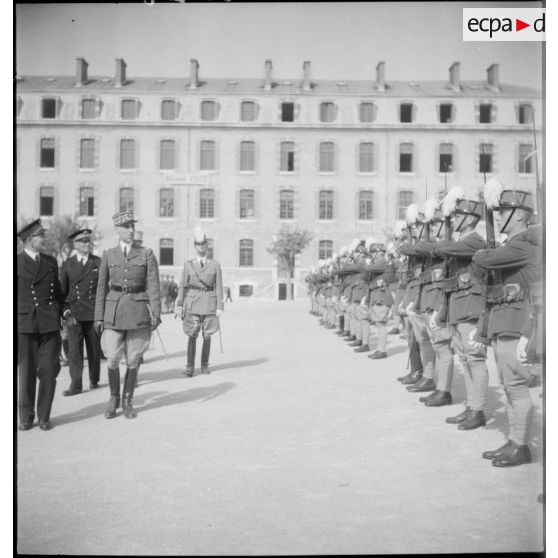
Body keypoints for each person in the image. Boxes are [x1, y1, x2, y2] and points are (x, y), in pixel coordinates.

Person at [472, 185, 540, 467]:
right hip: (504, 319)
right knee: (509, 384)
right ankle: (515, 440)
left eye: (503, 212)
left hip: (517, 319)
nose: (497, 218)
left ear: (521, 217)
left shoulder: (523, 243)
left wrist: (483, 255)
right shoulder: (511, 245)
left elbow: (482, 260)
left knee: (516, 385)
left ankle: (521, 444)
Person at [94, 211, 161, 419]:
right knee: (112, 357)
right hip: (113, 312)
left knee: (133, 358)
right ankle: (114, 397)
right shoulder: (108, 254)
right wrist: (98, 316)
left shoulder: (146, 254)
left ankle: (127, 400)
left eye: (132, 226)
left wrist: (156, 313)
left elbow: (153, 286)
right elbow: (101, 288)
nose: (131, 231)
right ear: (117, 230)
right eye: (126, 227)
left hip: (138, 312)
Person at [17, 219, 65, 431]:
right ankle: (26, 417)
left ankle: (44, 416)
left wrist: (64, 309)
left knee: (48, 371)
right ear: (28, 240)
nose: (44, 239)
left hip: (49, 324)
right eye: (40, 236)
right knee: (26, 373)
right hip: (25, 324)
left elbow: (58, 292)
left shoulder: (50, 261)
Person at [175, 227, 224, 376]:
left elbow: (219, 287)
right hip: (192, 303)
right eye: (198, 244)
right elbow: (182, 287)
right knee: (192, 334)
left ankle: (204, 365)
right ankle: (190, 366)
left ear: (207, 246)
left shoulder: (215, 265)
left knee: (207, 335)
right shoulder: (188, 265)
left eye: (204, 244)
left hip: (209, 302)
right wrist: (179, 304)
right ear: (195, 246)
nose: (201, 247)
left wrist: (220, 306)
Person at [59, 228, 102, 395]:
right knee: (75, 352)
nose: (87, 244)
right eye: (83, 242)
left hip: (92, 314)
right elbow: (62, 293)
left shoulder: (97, 262)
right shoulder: (67, 264)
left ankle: (94, 379)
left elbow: (102, 290)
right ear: (75, 244)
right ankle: (75, 385)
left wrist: (101, 314)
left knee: (94, 349)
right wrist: (66, 312)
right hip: (74, 315)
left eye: (88, 241)